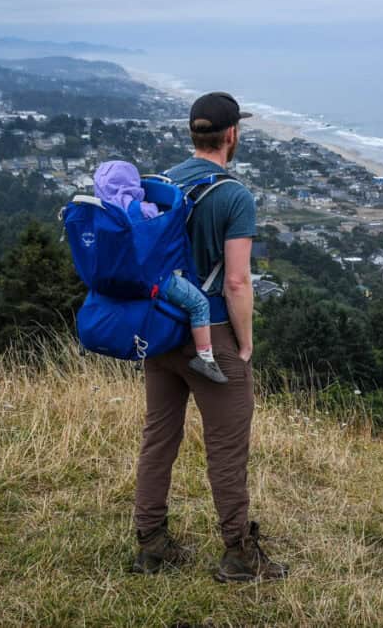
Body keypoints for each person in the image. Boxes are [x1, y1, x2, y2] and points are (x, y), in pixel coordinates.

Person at [131, 92, 287, 582]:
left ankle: (151, 543)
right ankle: (240, 554)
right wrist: (244, 345)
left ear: (192, 133)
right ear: (232, 135)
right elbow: (237, 282)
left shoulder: (162, 183)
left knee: (159, 438)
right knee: (226, 447)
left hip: (161, 331)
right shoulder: (233, 195)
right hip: (212, 335)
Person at [93, 160, 227, 384]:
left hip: (114, 276)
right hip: (151, 277)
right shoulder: (141, 210)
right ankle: (204, 356)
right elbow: (160, 224)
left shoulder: (98, 213)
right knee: (199, 304)